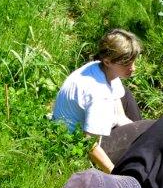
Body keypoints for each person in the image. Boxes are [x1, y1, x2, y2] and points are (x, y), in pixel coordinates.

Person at [52, 29, 148, 172]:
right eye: (127, 64)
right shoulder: (98, 92)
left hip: (87, 129)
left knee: (130, 103)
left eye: (133, 62)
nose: (133, 68)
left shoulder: (101, 69)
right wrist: (113, 173)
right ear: (108, 61)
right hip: (78, 146)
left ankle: (143, 150)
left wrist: (139, 129)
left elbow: (120, 117)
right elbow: (89, 143)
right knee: (148, 131)